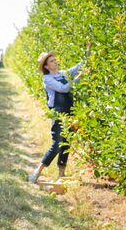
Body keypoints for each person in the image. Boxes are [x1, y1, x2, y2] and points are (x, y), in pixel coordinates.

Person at [28, 42, 91, 183]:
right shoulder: (47, 79)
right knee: (57, 143)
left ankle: (61, 176)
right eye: (51, 60)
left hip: (70, 111)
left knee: (67, 142)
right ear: (46, 66)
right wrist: (78, 78)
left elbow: (80, 66)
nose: (55, 61)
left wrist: (88, 50)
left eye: (55, 59)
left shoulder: (63, 73)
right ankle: (37, 172)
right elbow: (64, 89)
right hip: (58, 113)